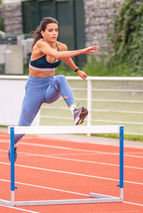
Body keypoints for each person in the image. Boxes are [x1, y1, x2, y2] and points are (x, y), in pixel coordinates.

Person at [8, 17, 99, 161]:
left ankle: (75, 112)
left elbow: (65, 57)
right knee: (22, 128)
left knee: (61, 78)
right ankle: (13, 145)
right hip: (34, 90)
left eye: (56, 30)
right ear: (43, 33)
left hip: (50, 88)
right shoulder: (40, 44)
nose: (54, 33)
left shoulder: (61, 46)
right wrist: (81, 51)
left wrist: (78, 71)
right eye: (50, 30)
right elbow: (57, 56)